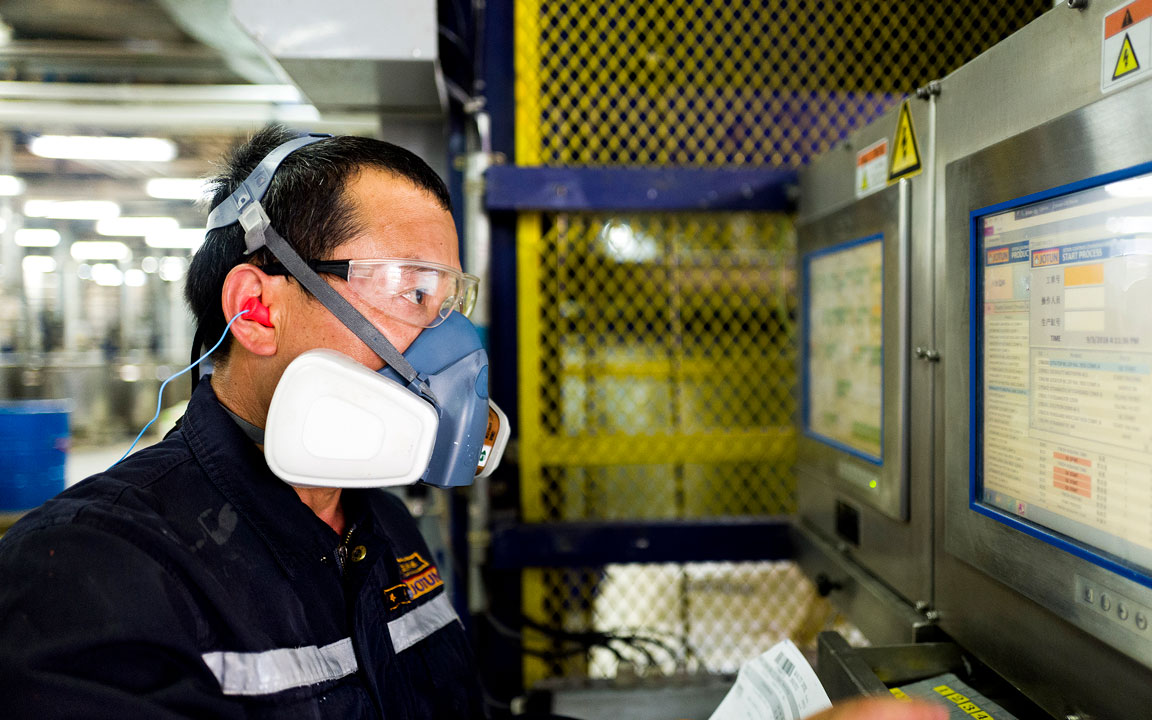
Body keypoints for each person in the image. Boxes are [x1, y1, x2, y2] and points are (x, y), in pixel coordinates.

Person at [0, 126, 943, 720]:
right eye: (412, 292)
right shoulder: (87, 579)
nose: (447, 346)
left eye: (450, 301)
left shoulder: (378, 524)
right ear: (255, 309)